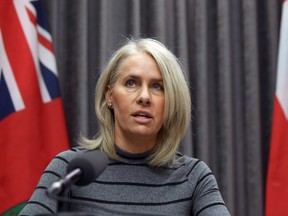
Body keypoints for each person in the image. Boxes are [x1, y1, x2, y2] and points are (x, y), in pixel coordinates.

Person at [19, 38, 230, 215]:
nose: (144, 97)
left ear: (172, 102)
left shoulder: (193, 177)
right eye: (131, 83)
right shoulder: (70, 169)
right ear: (109, 96)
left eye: (157, 86)